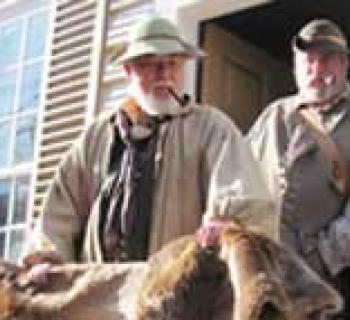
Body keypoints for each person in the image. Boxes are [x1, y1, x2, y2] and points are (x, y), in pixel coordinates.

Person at [24, 16, 275, 266]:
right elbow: (59, 214)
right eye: (151, 64)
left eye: (173, 64)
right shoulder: (96, 136)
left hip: (177, 294)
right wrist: (46, 259)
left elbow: (243, 200)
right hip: (102, 292)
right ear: (128, 71)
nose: (164, 74)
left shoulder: (211, 128)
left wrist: (227, 227)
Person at [248, 19, 350, 316]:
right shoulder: (274, 115)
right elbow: (238, 173)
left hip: (329, 281)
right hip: (269, 277)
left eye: (327, 60)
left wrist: (324, 254)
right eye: (308, 60)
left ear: (344, 65)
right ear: (295, 66)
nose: (316, 71)